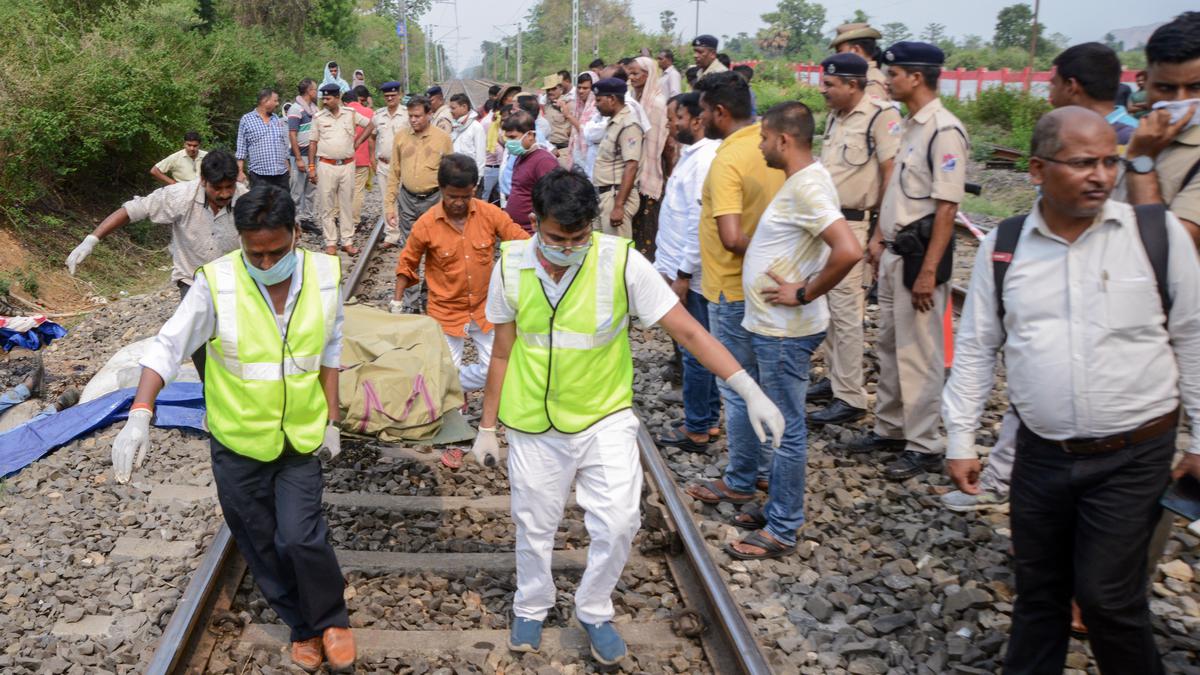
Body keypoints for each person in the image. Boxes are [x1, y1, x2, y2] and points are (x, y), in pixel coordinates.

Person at [471, 167, 784, 665]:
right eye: (556, 238)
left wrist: (746, 387)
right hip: (532, 421)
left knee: (619, 522)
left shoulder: (621, 263)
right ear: (535, 223)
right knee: (534, 523)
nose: (567, 248)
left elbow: (688, 332)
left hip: (604, 417)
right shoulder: (510, 266)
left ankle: (594, 608)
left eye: (578, 238)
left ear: (591, 229)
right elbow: (504, 352)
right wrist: (487, 427)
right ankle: (531, 603)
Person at [942, 106, 1200, 675]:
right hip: (1043, 454)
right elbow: (978, 346)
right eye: (1083, 163)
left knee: (1109, 600)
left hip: (1134, 453)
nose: (1103, 176)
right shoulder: (1005, 247)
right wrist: (960, 438)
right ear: (1037, 169)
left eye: (1111, 161)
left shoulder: (1152, 234)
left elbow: (1193, 335)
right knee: (1040, 595)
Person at [109, 185, 357, 673]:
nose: (265, 265)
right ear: (240, 241)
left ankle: (332, 620)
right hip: (238, 442)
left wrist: (332, 417)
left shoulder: (325, 275)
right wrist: (141, 412)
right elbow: (167, 346)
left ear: (296, 235)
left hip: (298, 439)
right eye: (254, 253)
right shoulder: (217, 283)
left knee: (301, 536)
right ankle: (303, 626)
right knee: (260, 541)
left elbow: (331, 347)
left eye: (277, 252)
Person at [717, 101, 862, 560]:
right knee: (775, 420)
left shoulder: (808, 187)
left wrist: (804, 292)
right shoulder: (801, 182)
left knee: (785, 428)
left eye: (763, 138)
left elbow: (848, 249)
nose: (760, 145)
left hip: (784, 331)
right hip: (773, 327)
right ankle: (774, 505)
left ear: (783, 140)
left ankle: (782, 527)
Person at [849, 42, 968, 482]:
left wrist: (929, 272)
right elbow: (897, 191)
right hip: (896, 250)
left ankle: (925, 443)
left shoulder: (944, 130)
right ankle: (891, 427)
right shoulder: (911, 127)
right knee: (890, 345)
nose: (888, 81)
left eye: (893, 74)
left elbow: (946, 209)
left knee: (920, 353)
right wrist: (879, 237)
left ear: (916, 77)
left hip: (920, 257)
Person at [683, 71, 785, 502]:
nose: (701, 117)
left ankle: (742, 479)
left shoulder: (728, 158)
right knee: (765, 384)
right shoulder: (776, 146)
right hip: (776, 286)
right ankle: (764, 468)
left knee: (737, 385)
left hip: (730, 285)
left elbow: (729, 235)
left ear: (720, 112)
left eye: (704, 110)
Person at [67, 151, 246, 378]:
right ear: (203, 181)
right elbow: (133, 210)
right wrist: (92, 240)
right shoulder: (180, 196)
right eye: (217, 188)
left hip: (233, 280)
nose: (224, 194)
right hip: (193, 279)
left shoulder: (245, 199)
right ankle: (208, 388)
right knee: (197, 340)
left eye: (229, 187)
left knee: (234, 340)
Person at [808, 53, 901, 426]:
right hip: (829, 224)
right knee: (829, 308)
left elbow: (891, 174)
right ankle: (835, 380)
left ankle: (851, 397)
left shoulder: (882, 117)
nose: (823, 90)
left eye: (830, 85)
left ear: (853, 84)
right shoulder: (835, 117)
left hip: (856, 224)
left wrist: (880, 232)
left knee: (847, 311)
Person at [391, 154, 529, 391]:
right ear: (442, 189)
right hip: (445, 311)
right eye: (452, 196)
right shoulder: (426, 224)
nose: (459, 203)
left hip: (486, 309)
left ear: (473, 189)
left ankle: (454, 385)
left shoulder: (490, 214)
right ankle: (448, 392)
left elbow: (519, 239)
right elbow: (408, 261)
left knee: (498, 368)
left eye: (466, 196)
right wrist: (396, 301)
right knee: (445, 369)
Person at [654, 93, 722, 451]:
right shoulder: (692, 155)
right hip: (682, 268)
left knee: (696, 349)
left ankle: (698, 426)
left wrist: (682, 272)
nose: (670, 124)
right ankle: (706, 419)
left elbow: (699, 221)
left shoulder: (704, 160)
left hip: (691, 274)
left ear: (696, 120)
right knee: (697, 345)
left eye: (675, 118)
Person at [1122, 11, 1200, 247]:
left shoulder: (1143, 147)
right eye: (1165, 88)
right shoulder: (1147, 135)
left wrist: (1141, 161)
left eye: (1195, 87)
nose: (1180, 100)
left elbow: (1167, 248)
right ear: (1145, 81)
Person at [383, 95, 455, 309]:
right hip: (407, 200)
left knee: (435, 249)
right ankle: (411, 301)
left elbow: (450, 173)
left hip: (434, 199)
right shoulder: (401, 137)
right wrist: (389, 205)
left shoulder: (442, 138)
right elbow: (394, 173)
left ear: (429, 115)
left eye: (417, 116)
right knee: (409, 250)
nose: (413, 120)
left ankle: (429, 294)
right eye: (410, 116)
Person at [308, 83, 375, 256]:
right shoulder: (318, 117)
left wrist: (359, 142)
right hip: (326, 165)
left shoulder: (350, 114)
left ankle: (347, 241)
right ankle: (330, 242)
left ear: (337, 98)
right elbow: (313, 143)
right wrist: (311, 167)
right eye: (323, 98)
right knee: (327, 205)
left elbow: (370, 125)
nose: (325, 101)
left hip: (347, 165)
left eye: (328, 98)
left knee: (346, 205)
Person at [1049, 43, 1141, 147]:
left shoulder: (1134, 140)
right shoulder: (1075, 130)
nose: (1051, 92)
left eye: (1054, 84)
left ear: (1070, 86)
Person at [627, 56, 669, 257]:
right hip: (632, 170)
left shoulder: (657, 104)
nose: (631, 77)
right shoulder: (633, 100)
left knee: (647, 230)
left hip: (649, 173)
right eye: (630, 73)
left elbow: (659, 143)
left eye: (635, 73)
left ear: (648, 74)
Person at [591, 78, 644, 238]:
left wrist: (619, 206)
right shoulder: (615, 123)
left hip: (615, 196)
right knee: (601, 249)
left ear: (612, 99)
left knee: (615, 253)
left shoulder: (629, 125)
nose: (595, 104)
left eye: (599, 100)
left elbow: (632, 166)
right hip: (606, 196)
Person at [502, 110, 560, 233]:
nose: (509, 143)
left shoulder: (544, 161)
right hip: (516, 229)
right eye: (507, 138)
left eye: (513, 137)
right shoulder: (520, 157)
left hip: (532, 232)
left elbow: (553, 199)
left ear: (530, 135)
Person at [373, 80, 411, 247]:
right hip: (383, 164)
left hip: (404, 164)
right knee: (387, 200)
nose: (390, 99)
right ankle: (391, 235)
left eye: (393, 95)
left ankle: (406, 234)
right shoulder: (378, 115)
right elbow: (372, 137)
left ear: (399, 95)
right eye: (387, 96)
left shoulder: (407, 114)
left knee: (405, 200)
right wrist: (371, 159)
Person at [236, 88, 290, 190]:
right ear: (265, 101)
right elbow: (241, 149)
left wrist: (288, 169)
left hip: (281, 175)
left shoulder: (277, 120)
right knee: (261, 205)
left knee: (283, 205)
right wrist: (239, 171)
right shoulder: (247, 120)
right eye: (275, 100)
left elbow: (283, 146)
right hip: (259, 176)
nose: (277, 104)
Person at [288, 79, 320, 232]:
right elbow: (292, 135)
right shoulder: (295, 109)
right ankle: (293, 221)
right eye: (315, 89)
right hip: (300, 155)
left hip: (313, 155)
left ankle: (307, 219)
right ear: (309, 91)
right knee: (296, 190)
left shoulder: (314, 108)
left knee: (311, 189)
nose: (317, 92)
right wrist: (299, 159)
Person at [830, 23, 889, 100]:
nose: (837, 57)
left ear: (856, 50)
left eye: (840, 51)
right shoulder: (862, 77)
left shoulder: (871, 83)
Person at [347, 86, 376, 225]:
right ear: (363, 99)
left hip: (345, 158)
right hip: (363, 157)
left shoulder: (343, 111)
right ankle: (354, 220)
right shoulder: (369, 112)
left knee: (344, 190)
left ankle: (339, 217)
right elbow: (373, 138)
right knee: (358, 191)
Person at [562, 72, 598, 175]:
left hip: (589, 159)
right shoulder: (579, 106)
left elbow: (587, 131)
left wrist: (568, 116)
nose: (581, 91)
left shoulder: (597, 107)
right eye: (579, 87)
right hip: (576, 156)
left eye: (585, 88)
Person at [449, 93, 487, 178]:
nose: (450, 111)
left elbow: (480, 157)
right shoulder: (456, 125)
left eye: (453, 108)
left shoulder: (476, 127)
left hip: (469, 176)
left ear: (464, 107)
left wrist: (477, 180)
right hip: (455, 174)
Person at [541, 75, 572, 157]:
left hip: (564, 148)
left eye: (554, 89)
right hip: (549, 146)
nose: (550, 92)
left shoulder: (568, 104)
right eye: (548, 90)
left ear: (561, 89)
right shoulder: (547, 105)